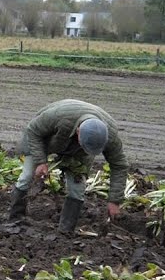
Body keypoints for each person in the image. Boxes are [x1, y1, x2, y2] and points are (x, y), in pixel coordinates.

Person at [7, 99, 129, 233]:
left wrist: (115, 201)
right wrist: (41, 161)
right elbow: (33, 131)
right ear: (78, 132)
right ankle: (15, 218)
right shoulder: (59, 116)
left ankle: (66, 231)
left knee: (77, 188)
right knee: (27, 176)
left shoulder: (110, 136)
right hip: (44, 139)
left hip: (78, 153)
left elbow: (120, 165)